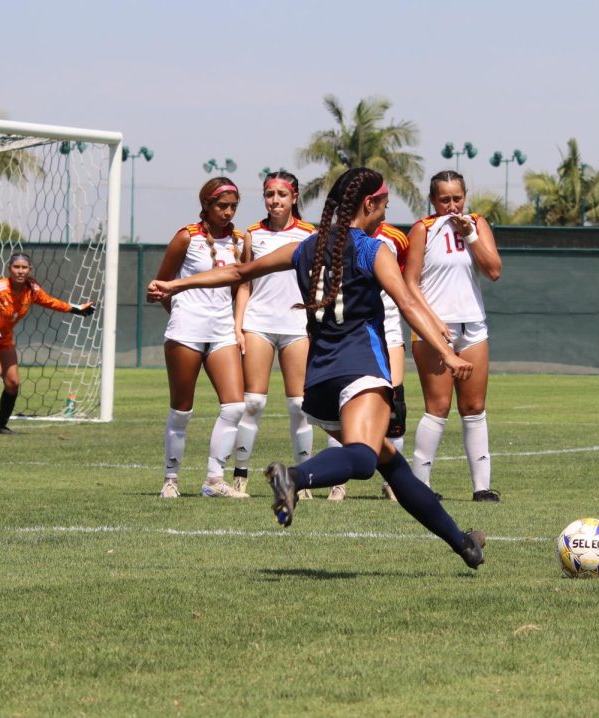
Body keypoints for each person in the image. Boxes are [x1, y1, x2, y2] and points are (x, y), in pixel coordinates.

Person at [147, 167, 486, 569]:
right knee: (361, 459)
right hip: (360, 367)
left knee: (389, 462)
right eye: (383, 204)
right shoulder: (370, 249)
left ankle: (463, 543)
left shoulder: (308, 246)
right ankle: (294, 476)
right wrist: (447, 354)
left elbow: (239, 272)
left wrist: (176, 285)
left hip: (319, 380)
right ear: (368, 204)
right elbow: (409, 304)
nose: (385, 211)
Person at [403, 170, 502, 502]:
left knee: (474, 406)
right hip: (434, 331)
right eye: (444, 199)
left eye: (457, 198)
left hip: (472, 326)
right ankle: (420, 486)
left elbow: (494, 270)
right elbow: (410, 284)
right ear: (433, 200)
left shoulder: (476, 223)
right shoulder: (423, 229)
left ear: (465, 196)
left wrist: (472, 235)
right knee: (438, 406)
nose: (451, 205)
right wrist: (431, 322)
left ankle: (482, 487)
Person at [153, 177, 248, 499]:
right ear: (206, 205)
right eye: (222, 206)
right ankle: (171, 478)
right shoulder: (186, 237)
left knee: (235, 406)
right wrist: (181, 315)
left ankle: (213, 479)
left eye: (233, 206)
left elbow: (239, 287)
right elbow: (162, 284)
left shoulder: (238, 240)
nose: (228, 212)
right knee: (182, 410)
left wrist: (236, 324)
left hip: (222, 331)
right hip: (186, 331)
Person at [230, 171, 316, 497]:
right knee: (253, 402)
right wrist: (238, 325)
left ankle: (304, 480)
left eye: (282, 194)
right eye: (270, 194)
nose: (275, 200)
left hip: (297, 327)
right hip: (259, 324)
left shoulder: (310, 233)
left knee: (299, 405)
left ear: (294, 197)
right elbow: (244, 283)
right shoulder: (253, 233)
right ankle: (240, 477)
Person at [324, 220, 411, 502]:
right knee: (341, 408)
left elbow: (408, 286)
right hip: (355, 335)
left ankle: (391, 483)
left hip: (390, 332)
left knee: (394, 409)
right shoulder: (335, 241)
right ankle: (338, 482)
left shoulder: (396, 239)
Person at [0, 252, 95, 436]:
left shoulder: (32, 289)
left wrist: (76, 309)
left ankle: (1, 426)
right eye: (16, 267)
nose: (20, 271)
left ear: (30, 270)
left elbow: (50, 302)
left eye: (24, 267)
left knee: (13, 383)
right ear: (9, 269)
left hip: (5, 337)